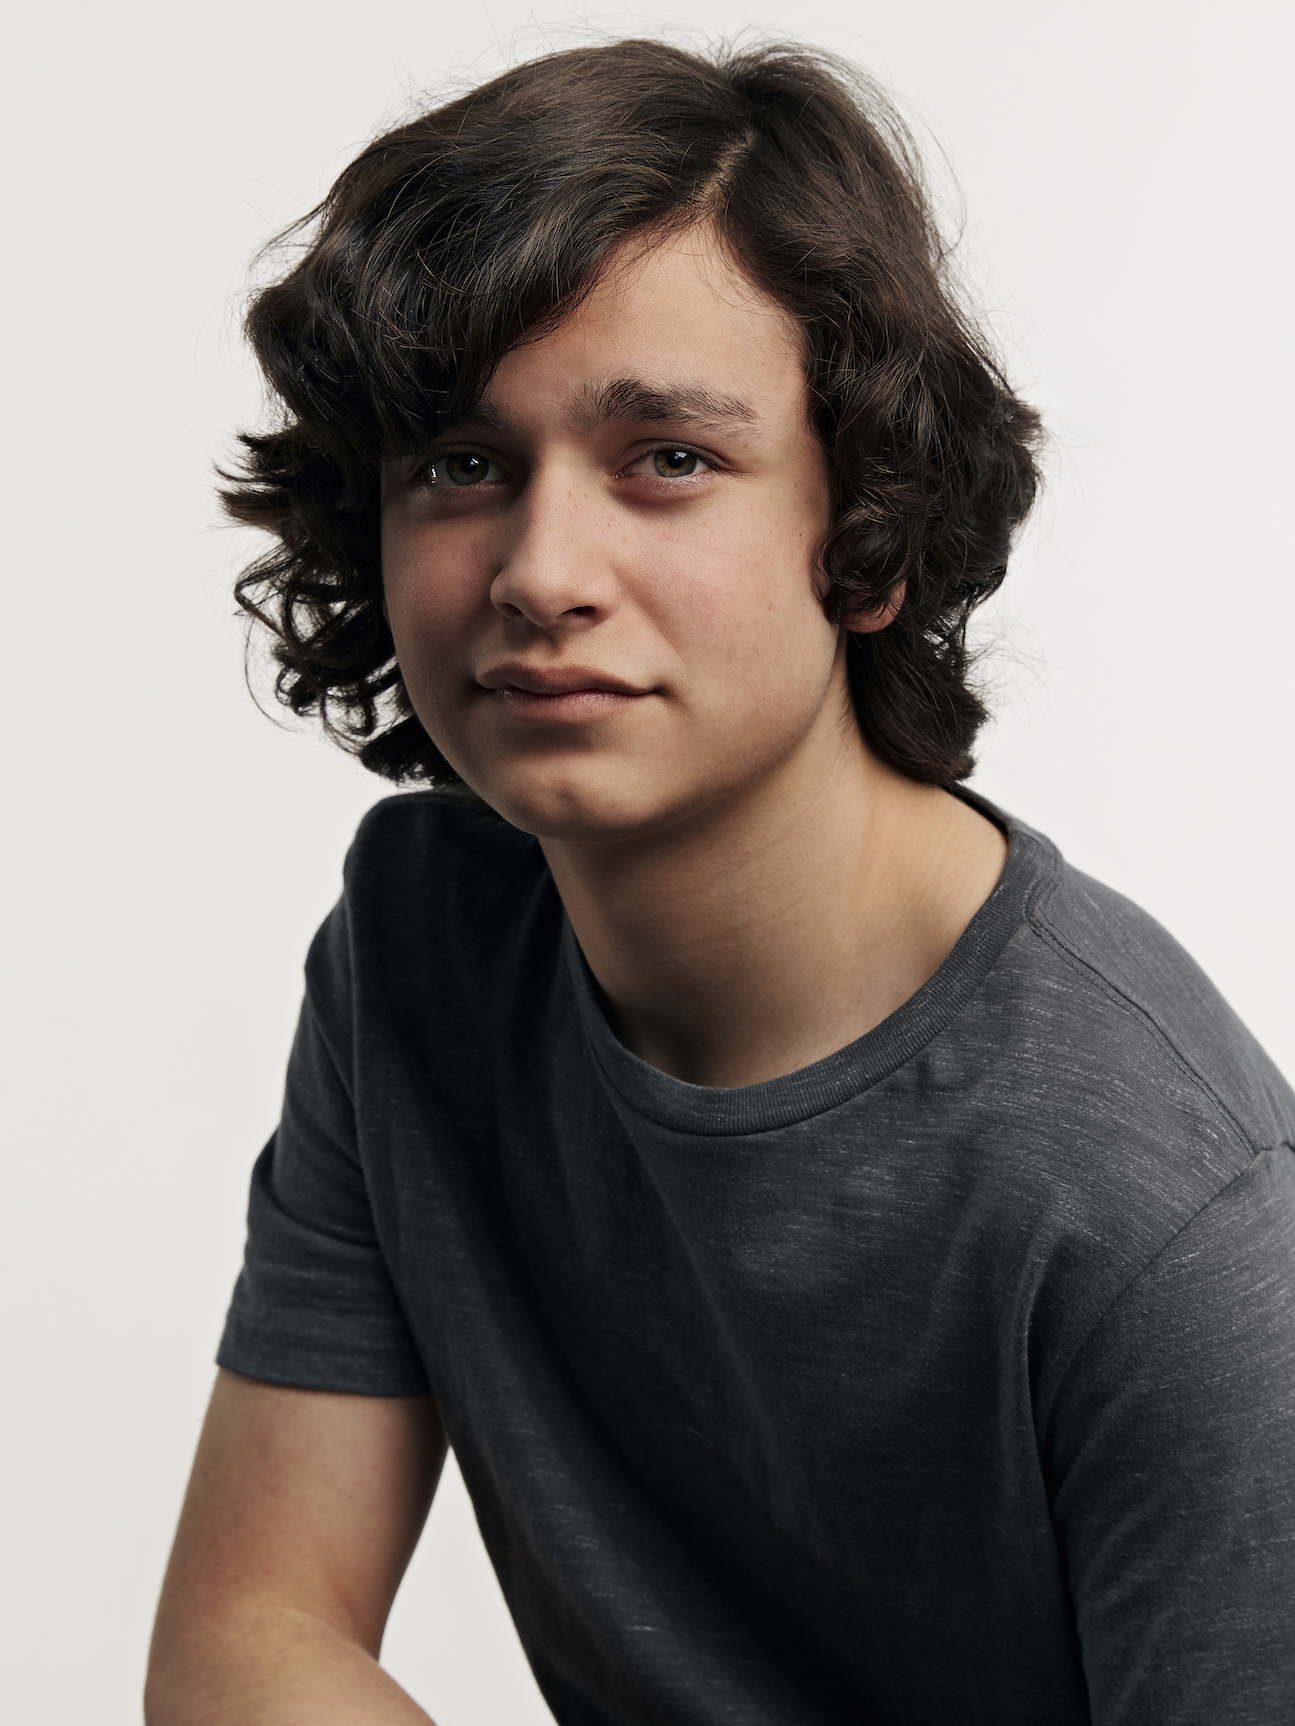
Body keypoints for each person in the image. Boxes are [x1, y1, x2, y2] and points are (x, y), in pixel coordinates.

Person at [145, 37, 1295, 1726]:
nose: (542, 572)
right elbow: (248, 1633)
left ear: (870, 539)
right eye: (461, 463)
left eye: (669, 457)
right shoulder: (422, 950)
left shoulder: (1172, 1216)